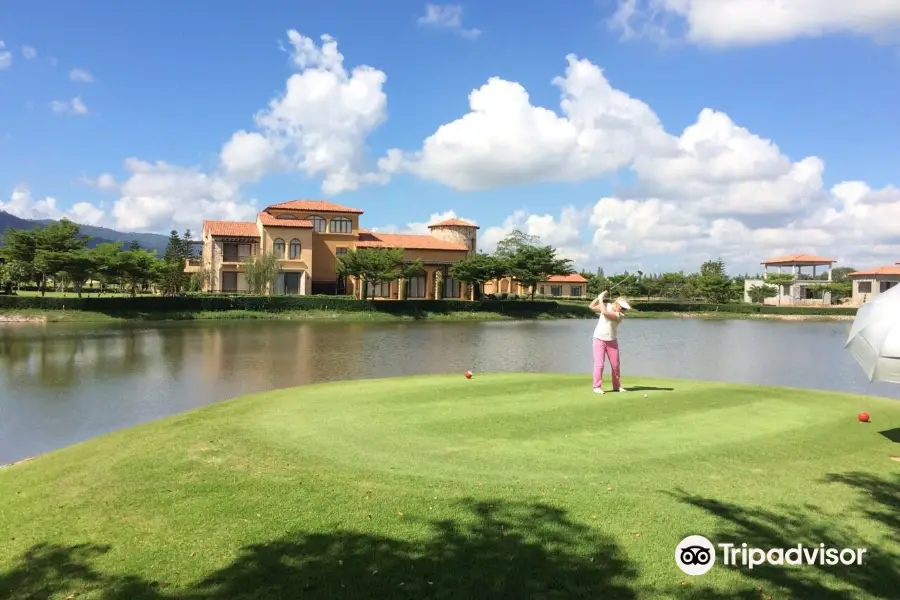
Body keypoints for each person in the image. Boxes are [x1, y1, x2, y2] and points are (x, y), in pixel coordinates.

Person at [589, 291, 631, 394]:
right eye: (622, 308)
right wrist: (598, 297)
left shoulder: (620, 315)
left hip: (612, 340)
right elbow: (591, 306)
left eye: (625, 309)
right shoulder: (606, 305)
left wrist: (601, 299)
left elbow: (605, 313)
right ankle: (596, 387)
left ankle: (617, 386)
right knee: (599, 364)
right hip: (598, 339)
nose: (624, 310)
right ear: (617, 304)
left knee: (615, 365)